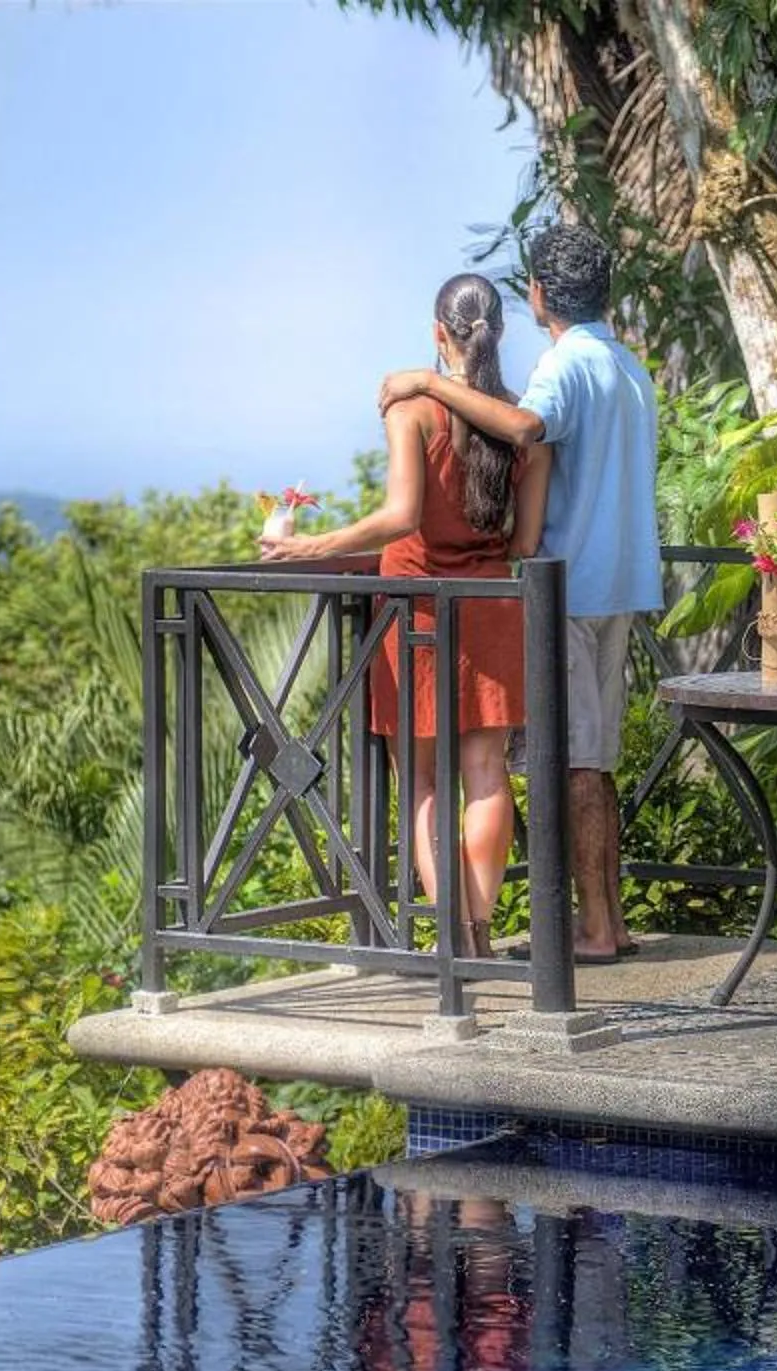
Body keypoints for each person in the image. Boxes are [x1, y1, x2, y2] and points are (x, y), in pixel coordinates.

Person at [376, 225, 660, 964]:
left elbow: (526, 430)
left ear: (538, 295)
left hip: (565, 587)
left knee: (573, 763)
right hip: (621, 582)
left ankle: (584, 929)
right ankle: (603, 920)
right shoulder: (630, 367)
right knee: (586, 762)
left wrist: (432, 382)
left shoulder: (565, 367)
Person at [263, 272, 550, 959]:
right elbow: (528, 542)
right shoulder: (520, 422)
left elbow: (399, 517)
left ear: (437, 333)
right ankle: (481, 929)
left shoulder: (413, 411)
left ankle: (455, 940)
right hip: (490, 606)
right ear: (499, 333)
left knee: (421, 779)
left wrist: (307, 546)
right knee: (486, 773)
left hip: (417, 610)